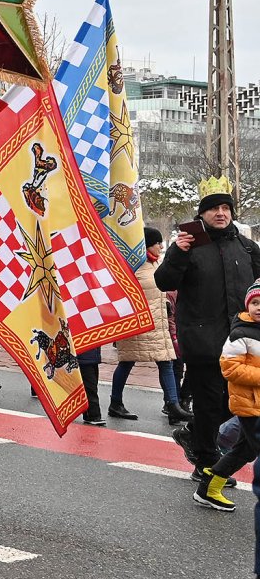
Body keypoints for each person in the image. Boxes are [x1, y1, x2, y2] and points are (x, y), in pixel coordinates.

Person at [155, 176, 260, 479]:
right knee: (209, 405)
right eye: (213, 208)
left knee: (232, 406)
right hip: (202, 341)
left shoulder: (246, 247)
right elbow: (165, 282)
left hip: (239, 343)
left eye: (226, 207)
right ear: (202, 214)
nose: (221, 213)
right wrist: (177, 254)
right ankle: (205, 464)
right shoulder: (189, 245)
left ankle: (194, 437)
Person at [110, 226, 189, 424]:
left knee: (166, 362)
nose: (161, 246)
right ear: (146, 245)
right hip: (138, 325)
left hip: (158, 325)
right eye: (157, 243)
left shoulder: (156, 265)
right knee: (127, 362)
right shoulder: (133, 265)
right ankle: (116, 402)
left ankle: (173, 404)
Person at [199, 280, 260, 513]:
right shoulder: (240, 333)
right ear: (247, 305)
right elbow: (230, 369)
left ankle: (208, 488)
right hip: (248, 404)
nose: (259, 307)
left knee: (246, 450)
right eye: (255, 302)